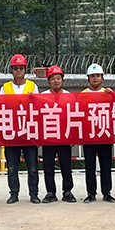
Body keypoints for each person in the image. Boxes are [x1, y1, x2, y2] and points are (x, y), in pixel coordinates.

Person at [0, 54, 41, 204]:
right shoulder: (5, 88)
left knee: (32, 166)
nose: (18, 70)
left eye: (21, 68)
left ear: (25, 69)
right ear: (11, 70)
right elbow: (1, 109)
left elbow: (38, 110)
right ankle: (14, 193)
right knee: (12, 166)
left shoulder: (32, 86)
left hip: (29, 131)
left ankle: (34, 194)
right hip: (12, 132)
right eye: (15, 68)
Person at [80, 63, 115, 204]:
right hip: (89, 135)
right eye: (92, 76)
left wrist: (113, 95)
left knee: (106, 166)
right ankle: (91, 193)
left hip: (105, 134)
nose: (95, 78)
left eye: (98, 76)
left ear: (102, 78)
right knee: (90, 166)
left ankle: (107, 192)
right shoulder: (82, 95)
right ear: (88, 78)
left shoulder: (108, 93)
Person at [40, 65, 76, 203]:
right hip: (48, 137)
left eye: (58, 78)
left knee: (66, 166)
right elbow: (38, 118)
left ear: (62, 80)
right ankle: (50, 192)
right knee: (48, 167)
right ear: (49, 81)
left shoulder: (69, 96)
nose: (56, 81)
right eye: (53, 78)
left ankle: (67, 191)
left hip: (64, 137)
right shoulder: (43, 97)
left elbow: (73, 117)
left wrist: (73, 136)